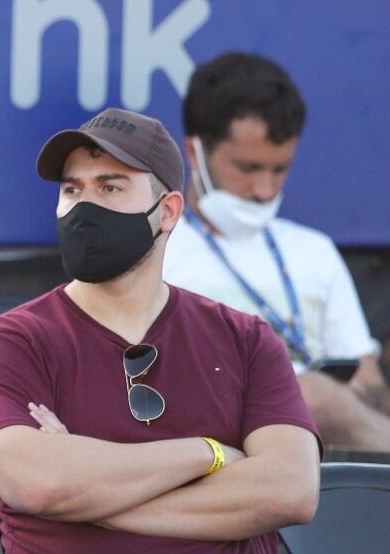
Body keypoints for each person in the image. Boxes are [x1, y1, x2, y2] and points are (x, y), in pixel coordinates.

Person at [0, 108, 320, 554]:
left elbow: (290, 490)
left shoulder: (246, 338)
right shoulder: (7, 342)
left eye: (111, 187)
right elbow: (36, 483)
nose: (84, 206)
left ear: (168, 211)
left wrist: (94, 498)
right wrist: (210, 453)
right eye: (72, 190)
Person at [164, 51, 390, 451]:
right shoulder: (155, 252)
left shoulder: (314, 250)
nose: (265, 190)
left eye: (280, 169)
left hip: (331, 459)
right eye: (248, 168)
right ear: (194, 152)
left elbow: (370, 384)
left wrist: (345, 392)